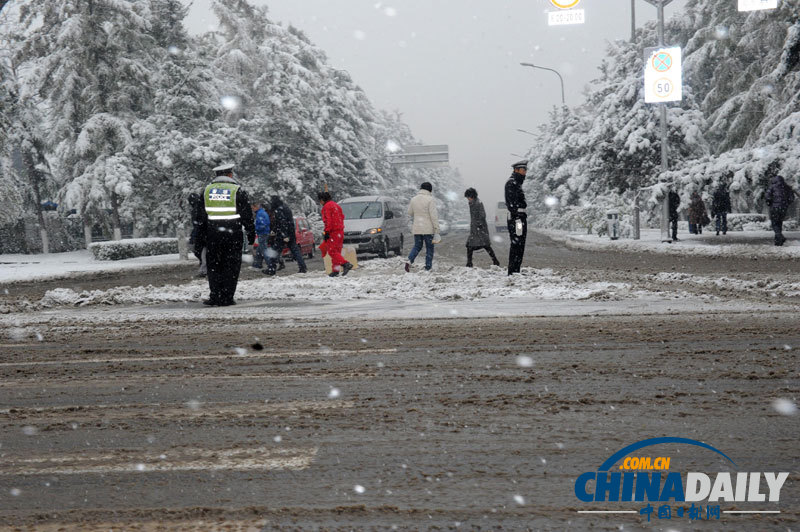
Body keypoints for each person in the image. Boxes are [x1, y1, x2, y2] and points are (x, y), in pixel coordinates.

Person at [194, 163, 255, 306]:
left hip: (212, 235)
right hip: (233, 234)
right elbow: (247, 215)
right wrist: (251, 233)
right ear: (230, 175)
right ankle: (227, 296)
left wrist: (200, 237)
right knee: (231, 266)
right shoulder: (237, 191)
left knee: (214, 265)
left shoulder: (206, 191)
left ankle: (215, 295)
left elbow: (200, 217)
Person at [265, 195, 307, 275]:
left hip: (282, 234)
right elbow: (286, 222)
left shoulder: (278, 210)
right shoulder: (285, 208)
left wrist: (284, 235)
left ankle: (271, 268)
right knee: (295, 250)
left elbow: (282, 223)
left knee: (274, 250)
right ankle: (302, 267)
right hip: (290, 232)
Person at [405, 182, 440, 272]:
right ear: (430, 190)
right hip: (428, 229)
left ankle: (410, 260)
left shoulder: (414, 199)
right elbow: (433, 215)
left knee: (417, 246)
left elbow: (410, 212)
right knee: (429, 247)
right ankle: (428, 267)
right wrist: (436, 228)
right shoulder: (430, 199)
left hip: (417, 227)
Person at [318, 191, 353, 277]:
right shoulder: (336, 205)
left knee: (332, 251)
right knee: (337, 251)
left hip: (333, 231)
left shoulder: (326, 207)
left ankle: (345, 264)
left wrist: (326, 231)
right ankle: (336, 270)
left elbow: (328, 220)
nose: (320, 202)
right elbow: (342, 217)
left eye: (320, 200)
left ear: (322, 200)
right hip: (340, 231)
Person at [464, 187, 500, 268]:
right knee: (473, 245)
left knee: (484, 245)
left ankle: (495, 261)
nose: (467, 199)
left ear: (472, 196)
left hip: (480, 229)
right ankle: (469, 263)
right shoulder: (473, 203)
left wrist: (478, 224)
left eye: (468, 197)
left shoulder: (478, 203)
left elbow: (482, 215)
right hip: (475, 230)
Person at [505, 160, 528, 275]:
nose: (525, 173)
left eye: (525, 170)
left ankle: (515, 270)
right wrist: (518, 216)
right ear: (516, 170)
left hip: (520, 218)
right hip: (517, 219)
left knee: (520, 244)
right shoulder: (512, 183)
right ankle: (513, 271)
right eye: (523, 170)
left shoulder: (517, 183)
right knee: (517, 244)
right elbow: (512, 204)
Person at [765, 174, 795, 246]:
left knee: (774, 223)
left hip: (774, 208)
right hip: (783, 208)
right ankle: (778, 241)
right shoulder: (787, 187)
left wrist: (769, 202)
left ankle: (779, 236)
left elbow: (767, 196)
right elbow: (791, 198)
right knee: (779, 222)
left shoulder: (772, 187)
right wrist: (786, 203)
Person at [188, 192, 207, 277]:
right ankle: (204, 268)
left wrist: (194, 235)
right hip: (203, 233)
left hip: (201, 233)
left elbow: (198, 223)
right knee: (201, 251)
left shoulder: (197, 209)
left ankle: (204, 269)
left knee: (199, 250)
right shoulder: (202, 207)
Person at [251, 201, 271, 269]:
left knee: (264, 250)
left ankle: (270, 265)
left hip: (262, 233)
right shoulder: (263, 213)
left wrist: (256, 228)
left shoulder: (260, 214)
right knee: (259, 250)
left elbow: (263, 224)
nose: (252, 210)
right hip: (264, 233)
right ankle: (257, 264)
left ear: (256, 207)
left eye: (253, 208)